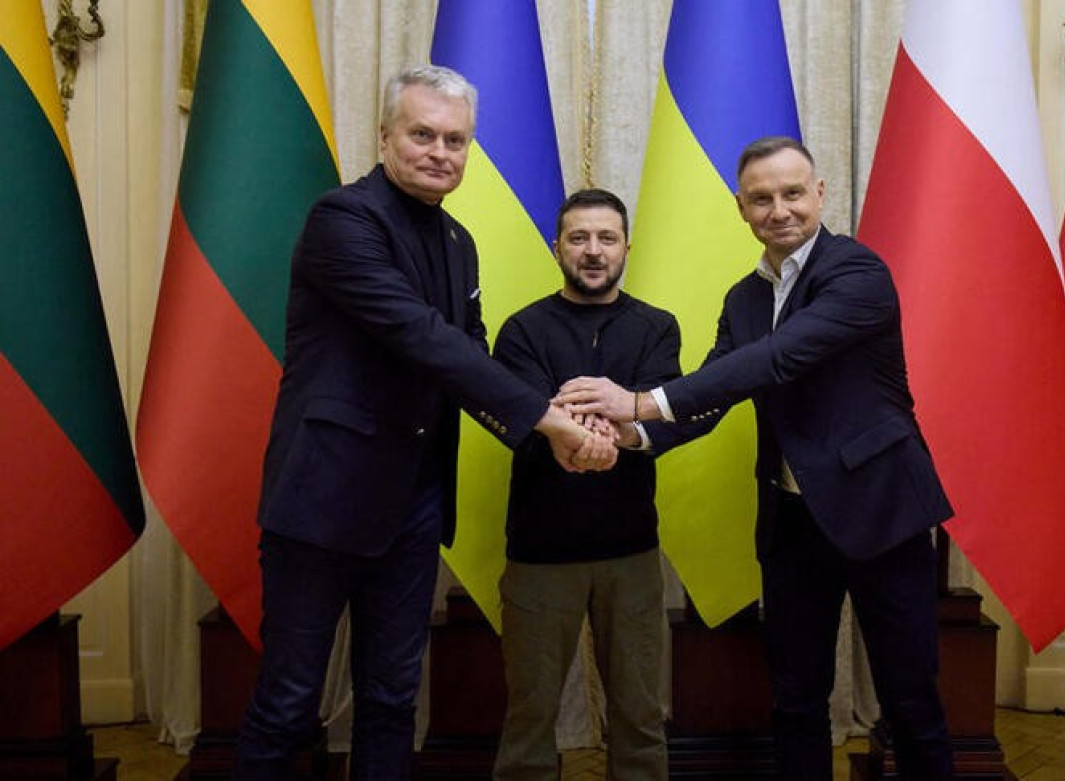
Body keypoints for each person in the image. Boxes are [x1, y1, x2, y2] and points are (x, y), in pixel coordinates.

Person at [233, 65, 615, 781]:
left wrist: (550, 418)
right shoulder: (341, 220)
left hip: (412, 504)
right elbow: (419, 336)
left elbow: (467, 351)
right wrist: (546, 420)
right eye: (423, 134)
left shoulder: (458, 241)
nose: (441, 152)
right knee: (287, 702)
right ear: (385, 137)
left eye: (456, 140)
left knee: (391, 696)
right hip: (323, 501)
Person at [556, 137, 955, 780]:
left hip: (882, 509)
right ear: (740, 207)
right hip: (792, 524)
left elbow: (776, 359)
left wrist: (636, 402)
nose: (780, 210)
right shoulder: (744, 299)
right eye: (762, 198)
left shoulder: (858, 274)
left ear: (819, 194)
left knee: (910, 701)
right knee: (795, 700)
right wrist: (629, 438)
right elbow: (713, 395)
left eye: (793, 193)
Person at [489, 189, 680, 781]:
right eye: (579, 238)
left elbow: (664, 416)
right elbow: (520, 422)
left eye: (606, 238)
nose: (593, 251)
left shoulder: (657, 327)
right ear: (557, 248)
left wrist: (610, 433)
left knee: (642, 715)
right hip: (540, 554)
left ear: (627, 247)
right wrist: (587, 430)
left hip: (632, 553)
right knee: (529, 718)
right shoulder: (521, 330)